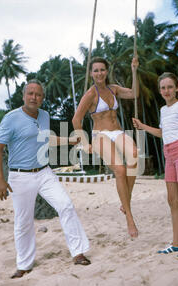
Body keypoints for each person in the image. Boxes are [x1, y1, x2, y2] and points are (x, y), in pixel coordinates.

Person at [0, 79, 90, 279]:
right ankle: (24, 265)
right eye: (30, 93)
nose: (34, 97)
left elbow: (45, 138)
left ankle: (78, 253)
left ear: (42, 98)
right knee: (23, 221)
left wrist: (70, 140)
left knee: (66, 205)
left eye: (38, 94)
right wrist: (0, 180)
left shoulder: (44, 115)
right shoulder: (11, 118)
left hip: (44, 172)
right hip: (20, 176)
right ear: (23, 96)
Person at [132, 72, 178, 259]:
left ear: (177, 88)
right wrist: (142, 126)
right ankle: (177, 243)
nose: (166, 91)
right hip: (168, 154)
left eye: (170, 87)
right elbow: (163, 133)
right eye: (163, 88)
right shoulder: (164, 110)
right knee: (172, 200)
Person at [72, 56, 139, 238]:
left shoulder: (114, 89)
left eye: (102, 69)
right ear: (91, 73)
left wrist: (134, 70)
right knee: (120, 169)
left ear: (106, 71)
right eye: (96, 70)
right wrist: (85, 144)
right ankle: (130, 218)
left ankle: (126, 201)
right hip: (99, 134)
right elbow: (76, 120)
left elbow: (134, 94)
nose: (99, 73)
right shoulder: (91, 94)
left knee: (134, 155)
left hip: (117, 131)